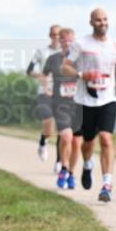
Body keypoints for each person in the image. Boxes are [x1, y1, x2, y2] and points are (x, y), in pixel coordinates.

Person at [61, 8, 116, 203]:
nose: (102, 23)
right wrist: (82, 75)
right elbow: (65, 67)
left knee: (106, 139)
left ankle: (107, 184)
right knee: (87, 142)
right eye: (98, 20)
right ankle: (88, 164)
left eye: (105, 19)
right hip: (84, 101)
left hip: (107, 99)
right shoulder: (80, 44)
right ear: (91, 22)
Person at [44, 27, 84, 189]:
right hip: (61, 104)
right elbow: (44, 75)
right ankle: (63, 167)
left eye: (70, 41)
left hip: (80, 105)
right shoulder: (53, 59)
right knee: (66, 137)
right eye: (64, 40)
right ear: (59, 41)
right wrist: (46, 88)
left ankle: (72, 173)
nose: (67, 43)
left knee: (76, 142)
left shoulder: (81, 59)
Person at [27, 24, 61, 166]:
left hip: (61, 93)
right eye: (53, 34)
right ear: (49, 35)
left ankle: (59, 162)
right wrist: (39, 75)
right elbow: (29, 71)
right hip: (44, 92)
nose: (56, 37)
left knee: (62, 128)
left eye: (58, 35)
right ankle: (43, 141)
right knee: (48, 124)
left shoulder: (66, 53)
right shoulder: (41, 52)